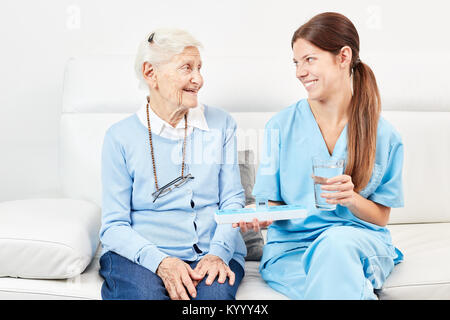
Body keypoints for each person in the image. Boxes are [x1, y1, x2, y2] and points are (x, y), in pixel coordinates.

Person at [234, 12, 404, 300]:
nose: (300, 71)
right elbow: (271, 202)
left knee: (335, 247)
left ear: (343, 57)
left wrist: (352, 199)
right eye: (296, 63)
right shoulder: (280, 126)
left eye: (309, 59)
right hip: (293, 250)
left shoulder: (385, 136)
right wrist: (260, 216)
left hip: (355, 243)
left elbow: (381, 217)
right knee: (338, 284)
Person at [99, 28, 246, 300]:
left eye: (200, 68)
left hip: (211, 252)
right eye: (186, 68)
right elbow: (113, 226)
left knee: (213, 298)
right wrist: (161, 262)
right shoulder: (119, 137)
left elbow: (232, 202)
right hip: (141, 256)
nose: (198, 79)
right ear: (150, 73)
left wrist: (218, 253)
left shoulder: (222, 125)